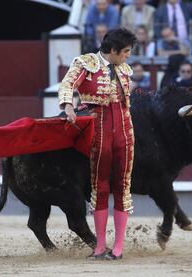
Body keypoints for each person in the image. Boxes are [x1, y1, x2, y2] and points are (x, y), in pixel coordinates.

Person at [58, 28, 137, 260]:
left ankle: (119, 248)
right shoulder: (86, 63)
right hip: (99, 131)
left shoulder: (124, 68)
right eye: (125, 52)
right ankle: (100, 246)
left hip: (125, 131)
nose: (127, 56)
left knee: (123, 186)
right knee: (100, 187)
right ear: (112, 50)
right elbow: (66, 85)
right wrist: (69, 106)